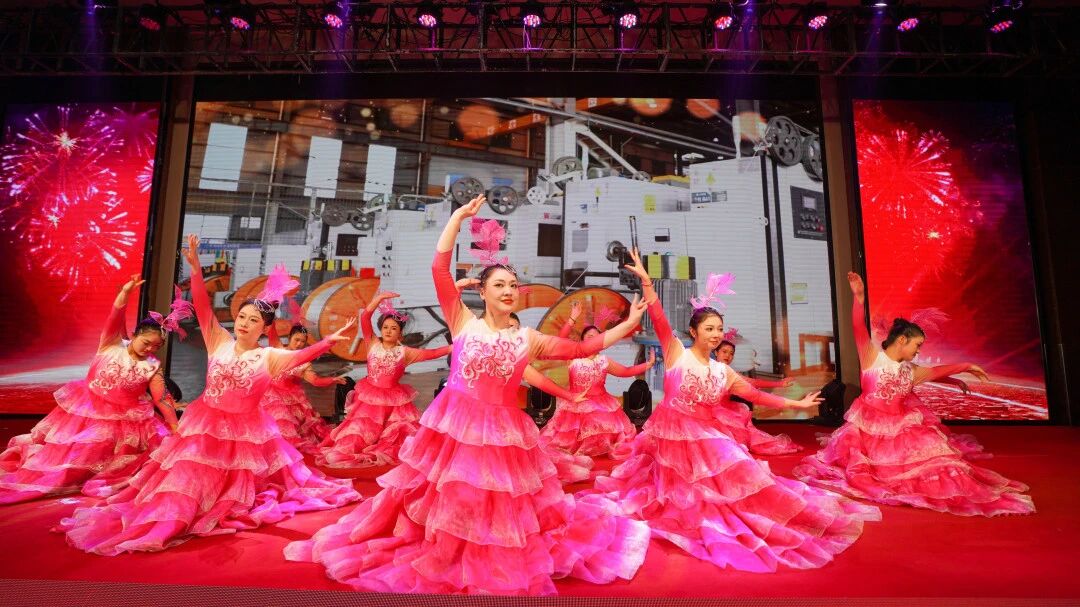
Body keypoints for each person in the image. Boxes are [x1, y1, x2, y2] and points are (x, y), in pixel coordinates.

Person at [285, 196, 651, 595]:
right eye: (500, 285)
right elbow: (438, 268)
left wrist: (627, 325)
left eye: (513, 285)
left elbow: (581, 349)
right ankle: (444, 545)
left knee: (495, 499)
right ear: (484, 291)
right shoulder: (462, 321)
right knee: (447, 494)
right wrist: (458, 218)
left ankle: (485, 550)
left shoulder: (527, 338)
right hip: (455, 426)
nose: (508, 291)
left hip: (502, 432)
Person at [58, 236, 362, 555]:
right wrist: (195, 269)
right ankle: (169, 518)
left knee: (231, 490)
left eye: (253, 320)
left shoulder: (269, 356)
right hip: (204, 426)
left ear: (265, 328)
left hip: (244, 432)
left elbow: (301, 356)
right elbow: (203, 308)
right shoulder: (219, 340)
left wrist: (328, 342)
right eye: (242, 317)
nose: (244, 323)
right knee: (184, 483)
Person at [587, 251, 880, 573]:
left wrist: (796, 404)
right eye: (709, 328)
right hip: (672, 437)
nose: (716, 335)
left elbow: (755, 395)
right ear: (694, 331)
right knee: (686, 496)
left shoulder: (723, 371)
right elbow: (658, 317)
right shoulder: (676, 354)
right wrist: (646, 282)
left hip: (706, 436)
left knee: (745, 473)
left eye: (719, 329)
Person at [792, 272, 1035, 517]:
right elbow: (858, 327)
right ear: (902, 340)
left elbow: (939, 371)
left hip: (902, 428)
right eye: (917, 345)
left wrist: (966, 366)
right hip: (868, 429)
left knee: (939, 460)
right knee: (871, 470)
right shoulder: (871, 357)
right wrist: (859, 297)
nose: (918, 351)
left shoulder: (912, 370)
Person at [0, 275, 181, 504]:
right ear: (135, 335)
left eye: (156, 346)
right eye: (146, 343)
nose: (150, 349)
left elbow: (162, 398)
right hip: (90, 410)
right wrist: (125, 293)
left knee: (125, 459)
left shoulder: (152, 365)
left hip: (126, 418)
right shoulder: (111, 344)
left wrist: (174, 426)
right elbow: (115, 316)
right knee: (66, 463)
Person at [317, 292, 451, 468]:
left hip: (394, 403)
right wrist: (378, 299)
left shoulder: (405, 352)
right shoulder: (372, 343)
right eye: (385, 327)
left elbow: (433, 353)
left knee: (394, 437)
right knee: (357, 436)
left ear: (400, 334)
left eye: (393, 328)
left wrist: (454, 346)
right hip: (369, 400)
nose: (388, 331)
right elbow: (365, 317)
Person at [539, 301, 655, 476]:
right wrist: (572, 318)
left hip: (602, 402)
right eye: (589, 336)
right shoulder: (573, 357)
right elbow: (559, 342)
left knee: (605, 423)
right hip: (576, 402)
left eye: (596, 336)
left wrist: (648, 365)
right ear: (582, 341)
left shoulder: (604, 360)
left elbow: (625, 371)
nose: (593, 338)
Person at [711, 339, 803, 455]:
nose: (728, 356)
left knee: (745, 439)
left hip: (724, 412)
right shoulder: (706, 368)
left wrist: (779, 383)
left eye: (731, 353)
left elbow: (753, 382)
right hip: (707, 411)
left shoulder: (731, 373)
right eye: (724, 352)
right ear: (716, 352)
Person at [261, 322, 340, 455]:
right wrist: (270, 315)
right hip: (270, 395)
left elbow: (315, 381)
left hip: (290, 400)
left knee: (287, 424)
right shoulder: (278, 350)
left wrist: (332, 380)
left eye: (302, 342)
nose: (299, 344)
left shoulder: (304, 362)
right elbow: (272, 330)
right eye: (296, 340)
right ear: (289, 337)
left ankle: (283, 451)